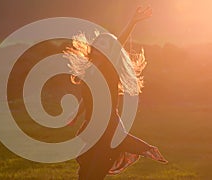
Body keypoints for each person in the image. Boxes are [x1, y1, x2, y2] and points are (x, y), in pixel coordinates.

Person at [64, 6, 168, 180]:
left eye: (106, 47)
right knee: (84, 174)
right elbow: (89, 95)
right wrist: (77, 112)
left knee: (92, 175)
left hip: (108, 129)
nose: (100, 49)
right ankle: (143, 148)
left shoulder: (108, 70)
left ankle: (144, 148)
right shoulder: (91, 71)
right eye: (98, 45)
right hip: (94, 131)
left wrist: (132, 22)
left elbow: (117, 45)